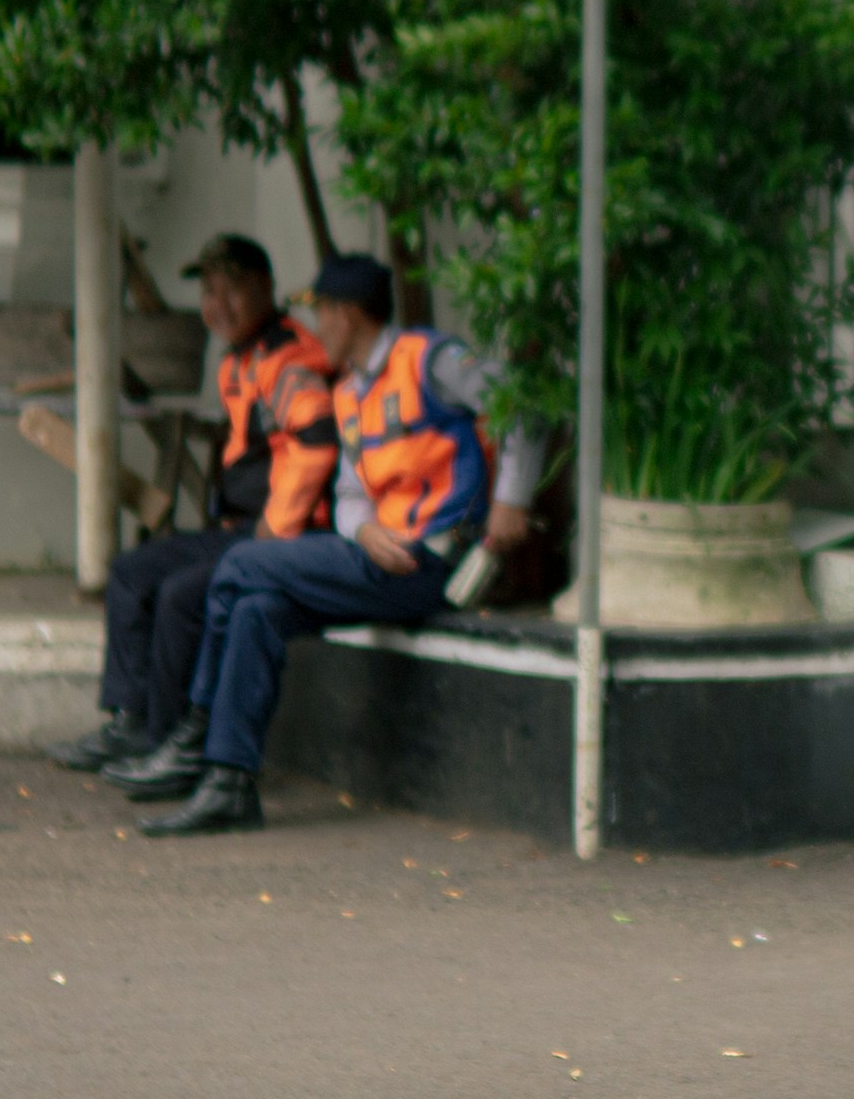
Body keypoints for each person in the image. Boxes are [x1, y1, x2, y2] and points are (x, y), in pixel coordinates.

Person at [120, 253, 543, 834]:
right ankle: (228, 783)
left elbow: (521, 407)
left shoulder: (428, 359)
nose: (317, 330)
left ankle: (193, 731)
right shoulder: (349, 392)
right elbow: (349, 496)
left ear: (348, 315)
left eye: (322, 315)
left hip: (432, 559)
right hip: (381, 555)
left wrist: (511, 501)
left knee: (242, 563)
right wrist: (365, 530)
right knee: (255, 611)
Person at [48, 234, 336, 779]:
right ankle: (131, 723)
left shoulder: (290, 359)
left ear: (267, 289)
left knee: (181, 594)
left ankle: (165, 745)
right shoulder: (237, 361)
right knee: (132, 574)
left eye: (234, 289)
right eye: (209, 290)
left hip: (284, 535)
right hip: (240, 528)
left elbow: (316, 440)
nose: (217, 305)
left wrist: (276, 528)